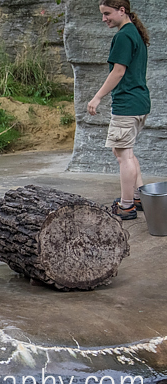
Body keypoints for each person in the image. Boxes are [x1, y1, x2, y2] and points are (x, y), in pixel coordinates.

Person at [87, 0, 150, 220]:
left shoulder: (124, 36)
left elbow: (118, 71)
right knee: (124, 152)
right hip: (139, 102)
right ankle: (139, 196)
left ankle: (126, 206)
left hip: (127, 104)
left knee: (124, 156)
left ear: (122, 11)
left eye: (107, 13)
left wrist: (97, 97)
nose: (104, 18)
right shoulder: (134, 33)